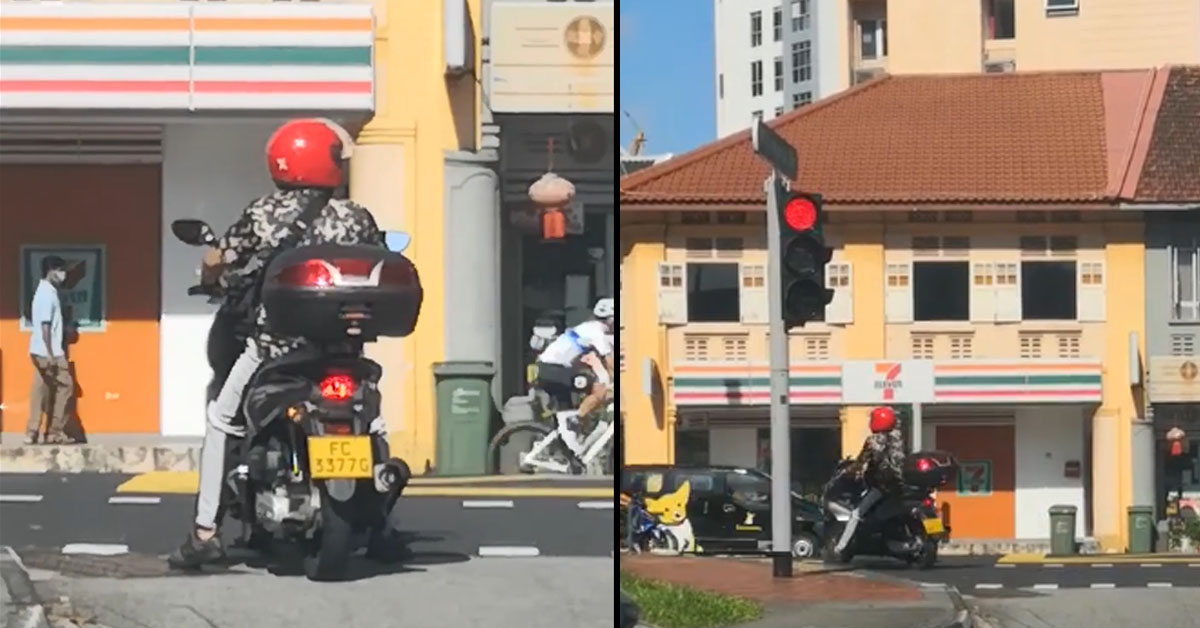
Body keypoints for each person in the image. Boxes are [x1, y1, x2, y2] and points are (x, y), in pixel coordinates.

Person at [169, 118, 385, 569]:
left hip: (275, 348)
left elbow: (220, 257)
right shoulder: (356, 215)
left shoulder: (263, 213)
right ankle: (384, 518)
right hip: (343, 350)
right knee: (374, 421)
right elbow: (381, 256)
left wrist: (212, 273)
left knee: (222, 418)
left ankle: (206, 531)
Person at [533, 298, 615, 461]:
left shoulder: (589, 329)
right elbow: (610, 362)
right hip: (553, 369)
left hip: (552, 369)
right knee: (600, 390)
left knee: (567, 419)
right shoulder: (597, 332)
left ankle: (566, 452)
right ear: (610, 318)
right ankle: (576, 419)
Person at [833, 405, 906, 554]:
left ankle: (840, 547)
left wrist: (848, 471)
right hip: (900, 485)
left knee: (856, 514)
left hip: (882, 487)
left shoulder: (873, 441)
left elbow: (861, 461)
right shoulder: (898, 438)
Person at [26, 256, 77, 445]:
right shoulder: (47, 294)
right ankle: (55, 431)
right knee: (66, 387)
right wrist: (51, 352)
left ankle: (32, 431)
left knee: (40, 390)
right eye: (61, 270)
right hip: (50, 350)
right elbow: (45, 325)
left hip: (37, 349)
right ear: (51, 271)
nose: (64, 275)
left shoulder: (44, 292)